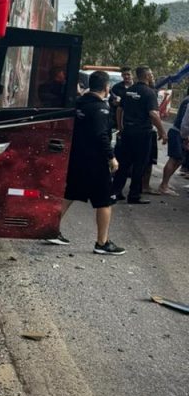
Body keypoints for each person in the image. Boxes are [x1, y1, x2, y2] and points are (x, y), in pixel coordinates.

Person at [49, 70, 124, 254]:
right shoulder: (101, 108)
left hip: (76, 158)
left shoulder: (78, 103)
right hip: (96, 161)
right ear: (106, 87)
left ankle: (50, 229)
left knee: (70, 194)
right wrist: (111, 157)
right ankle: (102, 242)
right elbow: (101, 135)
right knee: (105, 201)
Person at [110, 65, 168, 205]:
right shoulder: (149, 93)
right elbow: (153, 113)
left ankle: (116, 192)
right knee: (139, 164)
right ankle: (134, 195)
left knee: (123, 163)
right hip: (142, 133)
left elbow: (119, 109)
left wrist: (121, 127)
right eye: (152, 75)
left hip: (127, 131)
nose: (153, 77)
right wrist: (162, 131)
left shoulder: (129, 91)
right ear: (147, 76)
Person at [158, 88, 189, 195]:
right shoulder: (188, 101)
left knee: (179, 159)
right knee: (174, 159)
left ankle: (165, 182)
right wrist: (185, 137)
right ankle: (163, 185)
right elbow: (185, 123)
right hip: (179, 133)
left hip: (180, 133)